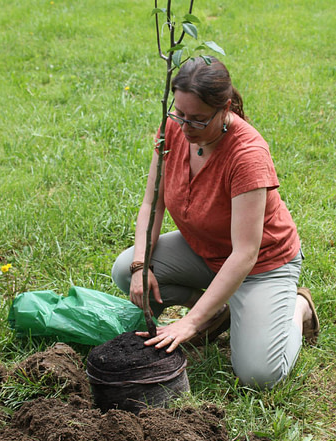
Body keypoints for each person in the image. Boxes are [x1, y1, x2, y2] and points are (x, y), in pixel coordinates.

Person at [112, 56, 319, 389]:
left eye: (197, 120)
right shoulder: (173, 130)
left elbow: (245, 253)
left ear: (225, 109)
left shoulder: (247, 155)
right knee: (124, 269)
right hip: (205, 250)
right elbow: (153, 202)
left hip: (260, 266)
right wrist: (140, 265)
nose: (184, 126)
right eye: (178, 114)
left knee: (258, 375)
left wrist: (189, 324)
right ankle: (219, 310)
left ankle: (297, 308)